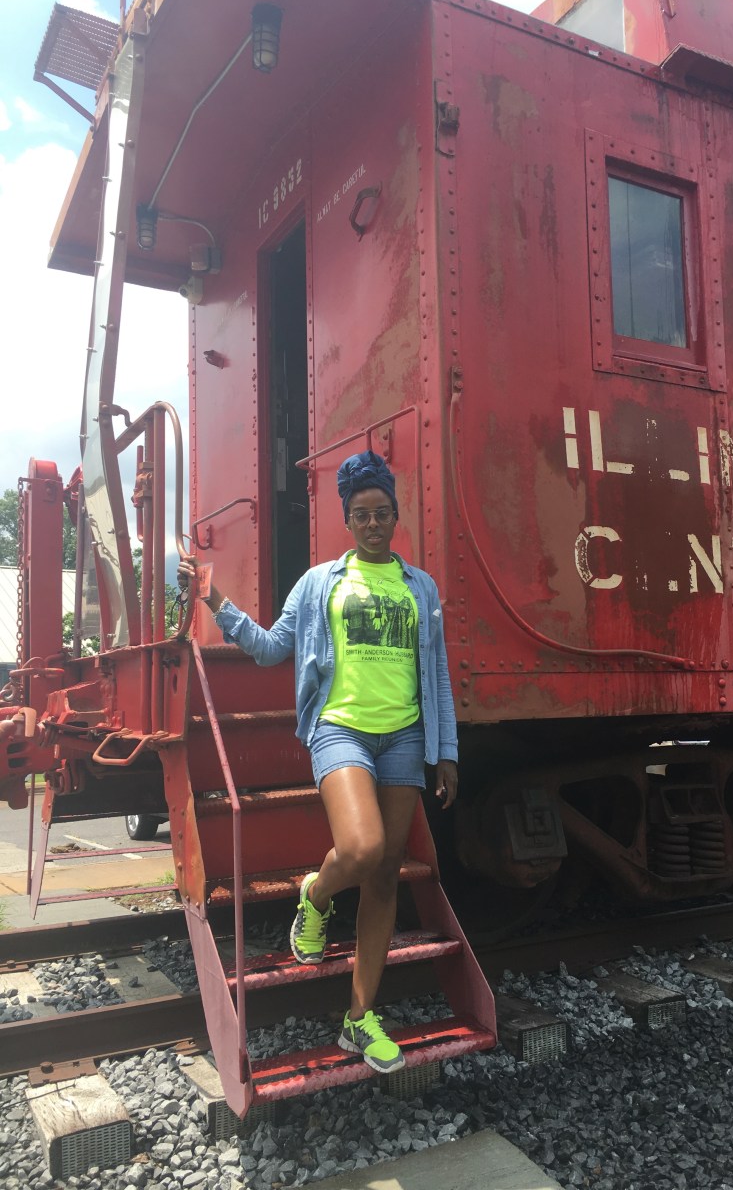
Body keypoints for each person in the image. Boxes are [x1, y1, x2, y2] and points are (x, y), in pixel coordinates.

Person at [178, 451, 458, 1074]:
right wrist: (213, 598)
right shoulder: (319, 583)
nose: (373, 524)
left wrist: (447, 752)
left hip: (405, 737)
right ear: (347, 520)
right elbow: (269, 648)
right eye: (361, 515)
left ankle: (359, 1019)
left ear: (395, 515)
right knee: (362, 849)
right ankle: (317, 892)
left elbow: (435, 672)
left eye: (382, 513)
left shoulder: (420, 587)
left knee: (385, 876)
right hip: (340, 730)